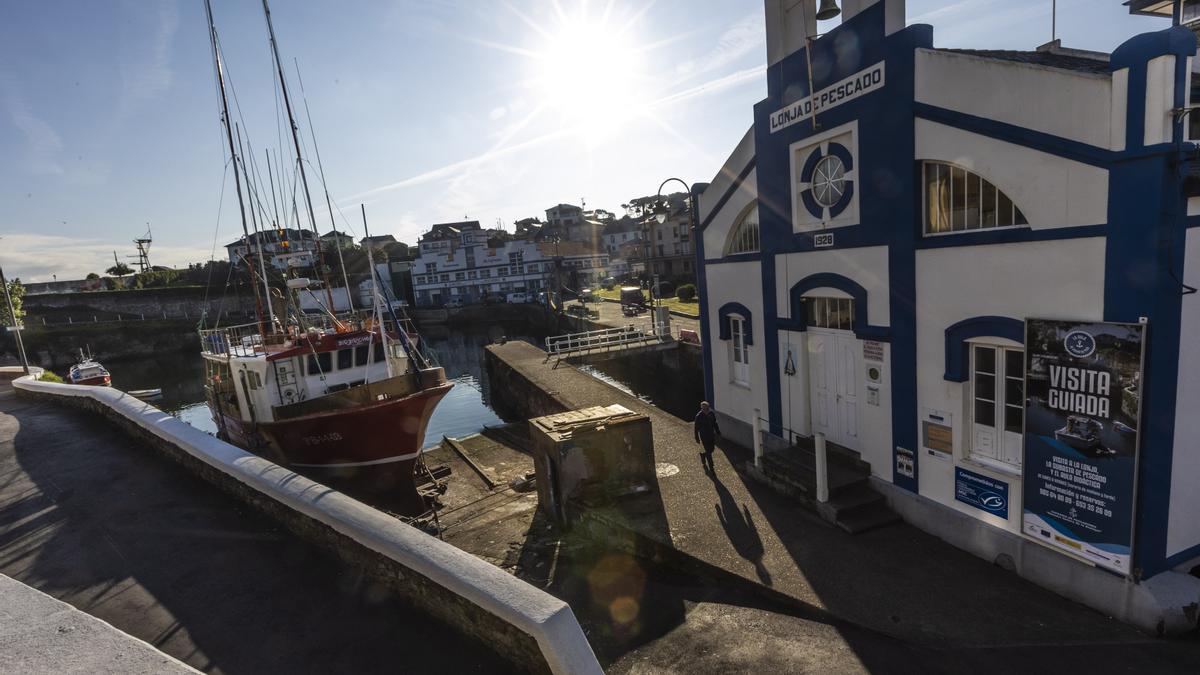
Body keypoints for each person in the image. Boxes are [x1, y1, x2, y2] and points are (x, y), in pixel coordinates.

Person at [694, 401, 720, 472]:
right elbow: (696, 428)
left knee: (711, 450)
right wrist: (697, 438)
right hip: (704, 437)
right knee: (709, 452)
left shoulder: (711, 414)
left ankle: (702, 455)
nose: (705, 410)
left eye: (706, 409)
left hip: (711, 435)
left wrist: (718, 431)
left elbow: (715, 423)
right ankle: (711, 468)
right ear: (701, 409)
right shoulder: (699, 416)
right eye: (703, 409)